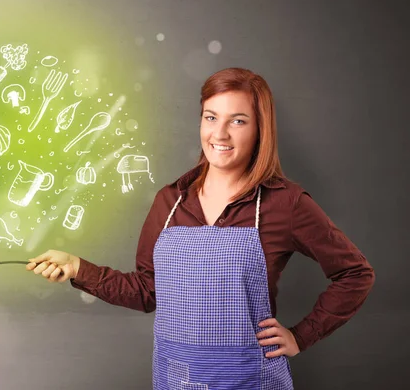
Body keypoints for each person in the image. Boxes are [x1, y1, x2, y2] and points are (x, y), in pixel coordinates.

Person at [25, 67, 376, 389]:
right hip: (176, 377)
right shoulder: (170, 201)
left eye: (238, 121)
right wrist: (77, 267)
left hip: (250, 379)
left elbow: (355, 273)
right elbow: (148, 292)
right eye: (211, 117)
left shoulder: (285, 203)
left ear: (260, 129)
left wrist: (301, 336)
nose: (219, 133)